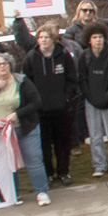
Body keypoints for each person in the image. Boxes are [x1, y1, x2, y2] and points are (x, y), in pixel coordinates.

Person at [20, 26, 79, 188]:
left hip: (62, 109)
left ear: (53, 39)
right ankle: (48, 173)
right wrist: (33, 102)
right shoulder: (31, 58)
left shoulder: (64, 56)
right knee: (44, 144)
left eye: (46, 37)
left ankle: (63, 172)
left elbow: (72, 80)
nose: (43, 40)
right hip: (40, 111)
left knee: (63, 143)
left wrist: (66, 99)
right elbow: (25, 83)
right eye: (40, 37)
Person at [0, 52, 48, 205]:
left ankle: (41, 192)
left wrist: (17, 115)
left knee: (33, 158)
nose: (2, 67)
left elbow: (36, 102)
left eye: (5, 63)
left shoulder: (22, 81)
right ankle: (14, 194)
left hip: (24, 128)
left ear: (10, 65)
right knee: (8, 163)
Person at [79, 26, 108, 178]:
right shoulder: (84, 56)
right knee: (95, 136)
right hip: (91, 102)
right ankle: (99, 166)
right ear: (89, 40)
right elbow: (82, 79)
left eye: (100, 37)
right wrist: (91, 98)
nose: (98, 40)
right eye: (94, 37)